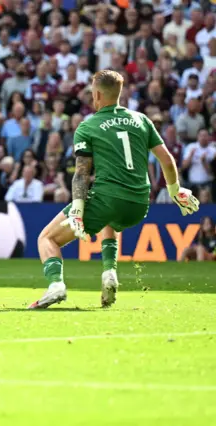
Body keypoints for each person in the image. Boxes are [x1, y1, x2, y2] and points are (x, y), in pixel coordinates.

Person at [31, 70, 200, 310]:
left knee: (47, 238)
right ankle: (109, 272)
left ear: (97, 94)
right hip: (139, 204)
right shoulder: (141, 120)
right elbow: (166, 158)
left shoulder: (88, 125)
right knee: (110, 218)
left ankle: (56, 285)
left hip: (107, 199)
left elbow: (81, 173)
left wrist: (78, 208)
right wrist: (175, 191)